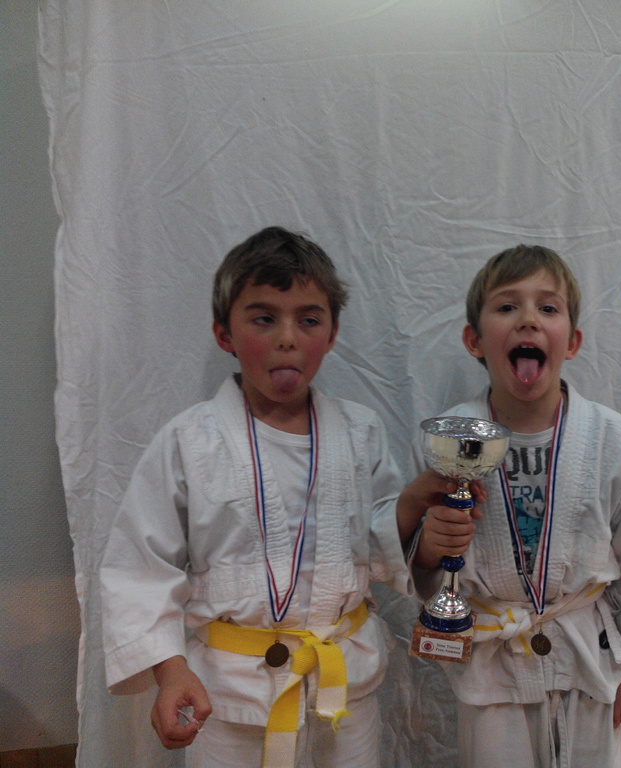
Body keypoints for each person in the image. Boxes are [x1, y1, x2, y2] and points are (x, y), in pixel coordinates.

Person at [100, 226, 436, 768]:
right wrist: (171, 670)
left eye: (309, 320)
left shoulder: (360, 432)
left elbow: (378, 547)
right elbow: (140, 565)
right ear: (224, 333)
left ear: (332, 334)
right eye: (263, 319)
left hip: (343, 687)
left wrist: (413, 506)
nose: (287, 338)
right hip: (228, 695)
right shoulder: (190, 441)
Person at [412, 244, 621, 768]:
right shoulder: (452, 437)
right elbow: (426, 554)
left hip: (588, 657)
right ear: (474, 339)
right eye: (507, 306)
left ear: (572, 341)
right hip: (494, 670)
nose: (528, 319)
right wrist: (427, 548)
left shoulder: (610, 437)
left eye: (548, 308)